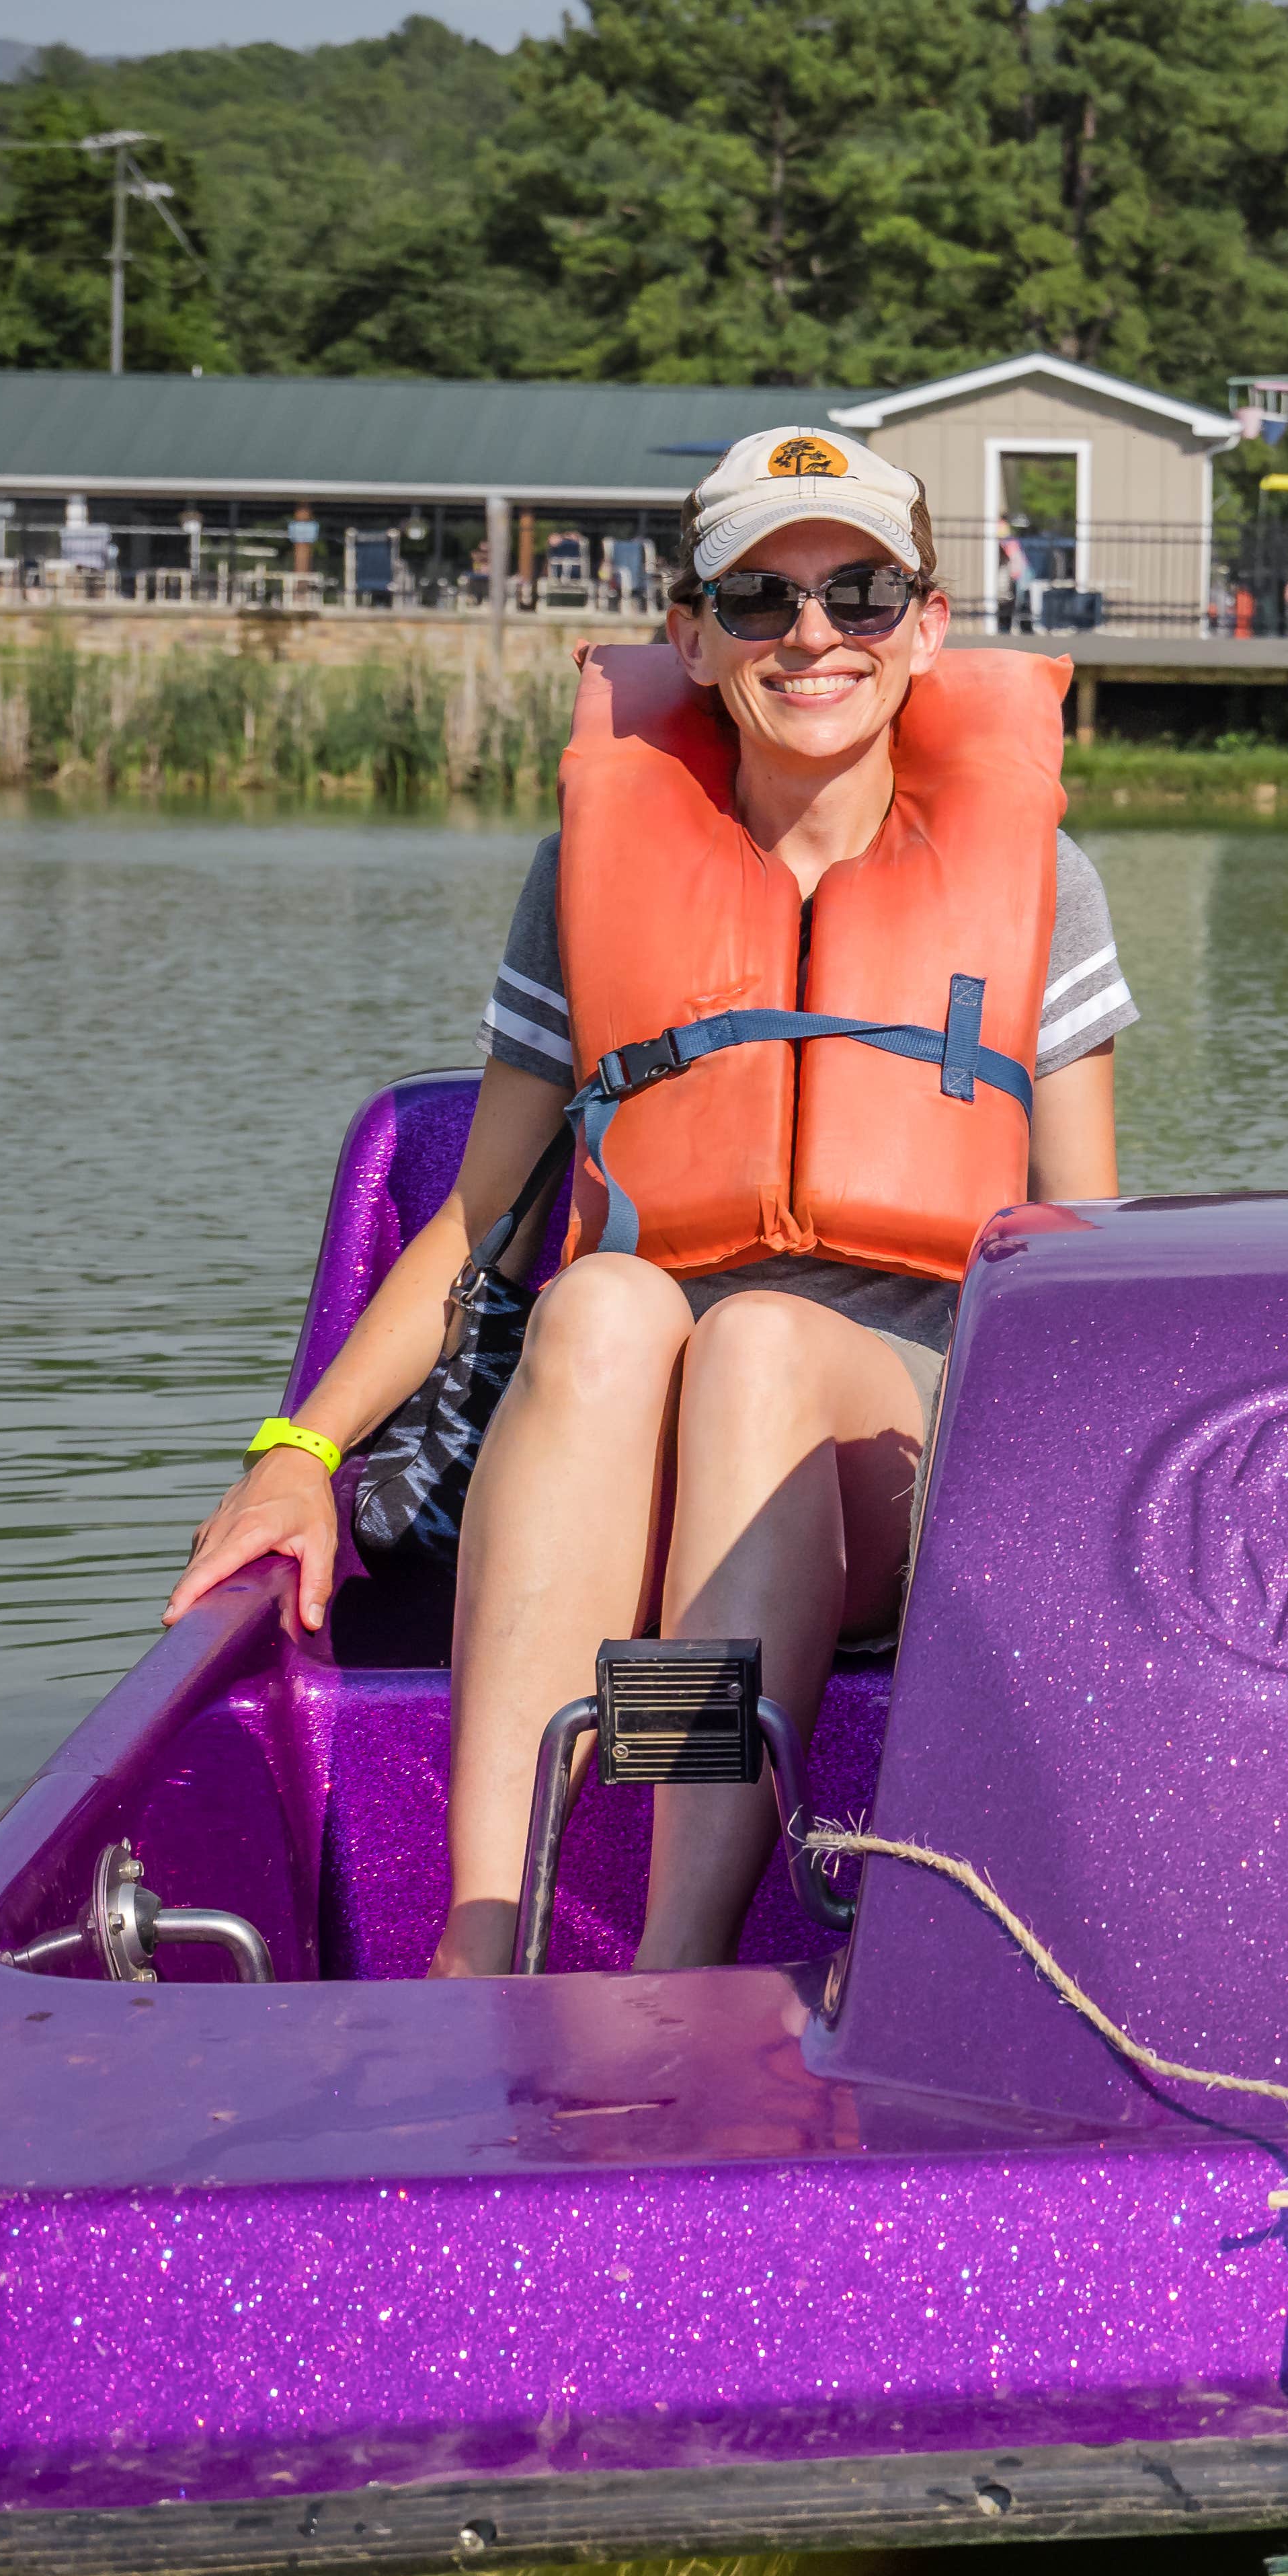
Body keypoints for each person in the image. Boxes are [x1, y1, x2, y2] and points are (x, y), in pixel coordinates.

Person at [168, 432, 1131, 1976]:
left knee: (753, 1339)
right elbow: (475, 1223)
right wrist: (298, 1451)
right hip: (630, 1428)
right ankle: (485, 1938)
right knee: (606, 1298)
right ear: (690, 636)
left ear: (929, 627)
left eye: (862, 592)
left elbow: (1087, 1251)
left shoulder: (1042, 881)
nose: (814, 635)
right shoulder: (587, 874)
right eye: (759, 599)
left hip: (904, 1455)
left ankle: (673, 1963)